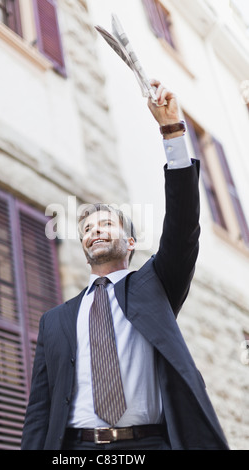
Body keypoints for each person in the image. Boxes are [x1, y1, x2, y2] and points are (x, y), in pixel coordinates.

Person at [21, 80, 229, 450]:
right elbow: (39, 410)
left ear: (130, 243)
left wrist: (172, 131)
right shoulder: (54, 321)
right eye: (87, 227)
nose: (94, 230)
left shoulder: (155, 286)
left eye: (106, 223)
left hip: (148, 444)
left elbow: (183, 226)